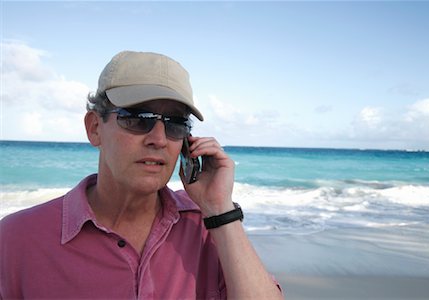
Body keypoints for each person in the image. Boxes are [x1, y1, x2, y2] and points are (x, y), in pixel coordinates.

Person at [0, 51, 282, 299]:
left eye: (175, 123)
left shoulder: (208, 226)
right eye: (137, 118)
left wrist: (219, 208)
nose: (158, 138)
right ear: (95, 127)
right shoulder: (17, 239)